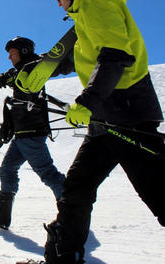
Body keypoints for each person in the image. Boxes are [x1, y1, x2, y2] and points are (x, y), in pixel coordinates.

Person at [36, 1, 165, 263]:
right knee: (77, 188)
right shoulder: (82, 17)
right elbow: (78, 59)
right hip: (105, 117)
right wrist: (40, 68)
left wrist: (87, 101)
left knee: (158, 189)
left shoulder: (97, 3)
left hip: (127, 111)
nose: (58, 3)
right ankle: (63, 257)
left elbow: (115, 55)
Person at [0, 37, 66, 230]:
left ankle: (72, 210)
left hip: (32, 131)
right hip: (23, 132)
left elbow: (28, 87)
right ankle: (3, 215)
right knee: (7, 169)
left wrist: (11, 77)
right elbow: (18, 85)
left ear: (24, 52)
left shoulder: (35, 69)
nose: (9, 57)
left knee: (47, 173)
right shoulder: (24, 69)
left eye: (12, 53)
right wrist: (8, 76)